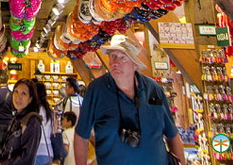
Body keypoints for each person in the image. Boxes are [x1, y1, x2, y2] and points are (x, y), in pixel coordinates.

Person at [74, 35, 185, 165]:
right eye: (112, 56)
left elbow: (172, 135)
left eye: (123, 57)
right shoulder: (97, 90)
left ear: (134, 64)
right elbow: (81, 136)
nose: (115, 62)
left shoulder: (153, 89)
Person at [0, 79, 44, 165]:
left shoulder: (32, 122)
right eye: (16, 92)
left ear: (30, 99)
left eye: (23, 93)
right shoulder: (16, 118)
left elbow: (27, 157)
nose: (18, 97)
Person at [33, 80, 56, 165]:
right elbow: (54, 130)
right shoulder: (49, 110)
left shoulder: (34, 111)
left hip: (35, 150)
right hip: (48, 150)